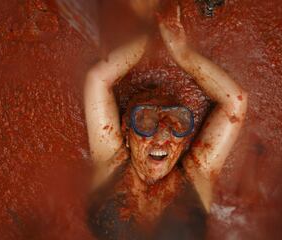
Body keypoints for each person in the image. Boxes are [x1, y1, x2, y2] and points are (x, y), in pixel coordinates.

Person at [84, 1, 247, 239]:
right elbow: (97, 79)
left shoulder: (196, 174)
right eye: (146, 122)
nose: (161, 137)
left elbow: (236, 100)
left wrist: (183, 54)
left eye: (175, 124)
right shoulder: (112, 161)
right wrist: (150, 36)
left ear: (183, 143)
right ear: (126, 132)